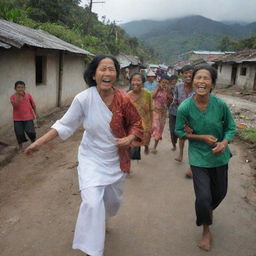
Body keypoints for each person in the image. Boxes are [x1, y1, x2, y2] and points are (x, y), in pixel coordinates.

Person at [25, 55, 143, 256]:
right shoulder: (84, 98)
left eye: (111, 69)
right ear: (94, 74)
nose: (107, 73)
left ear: (116, 74)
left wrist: (130, 137)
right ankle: (92, 248)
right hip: (91, 157)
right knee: (92, 202)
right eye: (102, 69)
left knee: (112, 202)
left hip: (115, 158)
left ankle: (104, 218)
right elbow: (64, 124)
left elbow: (137, 123)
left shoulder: (123, 99)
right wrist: (39, 142)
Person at [175, 64, 236, 252]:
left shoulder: (220, 105)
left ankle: (206, 213)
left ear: (212, 84)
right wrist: (199, 137)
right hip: (198, 158)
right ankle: (206, 229)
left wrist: (224, 143)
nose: (201, 81)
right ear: (193, 81)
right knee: (203, 197)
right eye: (198, 78)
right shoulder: (185, 107)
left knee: (220, 193)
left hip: (219, 157)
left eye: (206, 78)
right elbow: (178, 130)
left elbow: (231, 128)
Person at [128, 72, 153, 155]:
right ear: (130, 82)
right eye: (133, 80)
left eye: (138, 80)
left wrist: (152, 125)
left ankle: (146, 147)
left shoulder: (147, 94)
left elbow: (151, 110)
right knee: (134, 148)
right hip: (134, 126)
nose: (135, 83)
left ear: (143, 82)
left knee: (146, 140)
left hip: (146, 124)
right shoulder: (127, 96)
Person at [10, 80, 37, 150]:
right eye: (18, 87)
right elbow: (15, 106)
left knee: (31, 132)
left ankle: (33, 144)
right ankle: (20, 147)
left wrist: (36, 113)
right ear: (15, 88)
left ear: (24, 88)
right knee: (19, 133)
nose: (20, 89)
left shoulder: (28, 95)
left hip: (28, 117)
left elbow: (33, 105)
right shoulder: (12, 97)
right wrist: (18, 97)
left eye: (22, 87)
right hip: (17, 119)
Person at [151, 74, 169, 153]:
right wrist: (158, 88)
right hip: (155, 112)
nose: (164, 84)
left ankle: (155, 147)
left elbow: (169, 101)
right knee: (154, 128)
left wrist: (169, 93)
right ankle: (146, 144)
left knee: (160, 130)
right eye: (163, 82)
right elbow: (152, 96)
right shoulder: (156, 89)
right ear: (159, 82)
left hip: (163, 114)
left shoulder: (167, 91)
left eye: (166, 83)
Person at [167, 75, 178, 151]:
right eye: (173, 80)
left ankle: (176, 141)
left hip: (180, 112)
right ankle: (174, 145)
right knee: (172, 130)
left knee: (178, 130)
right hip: (171, 111)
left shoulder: (179, 87)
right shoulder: (168, 87)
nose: (174, 81)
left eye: (175, 80)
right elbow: (167, 97)